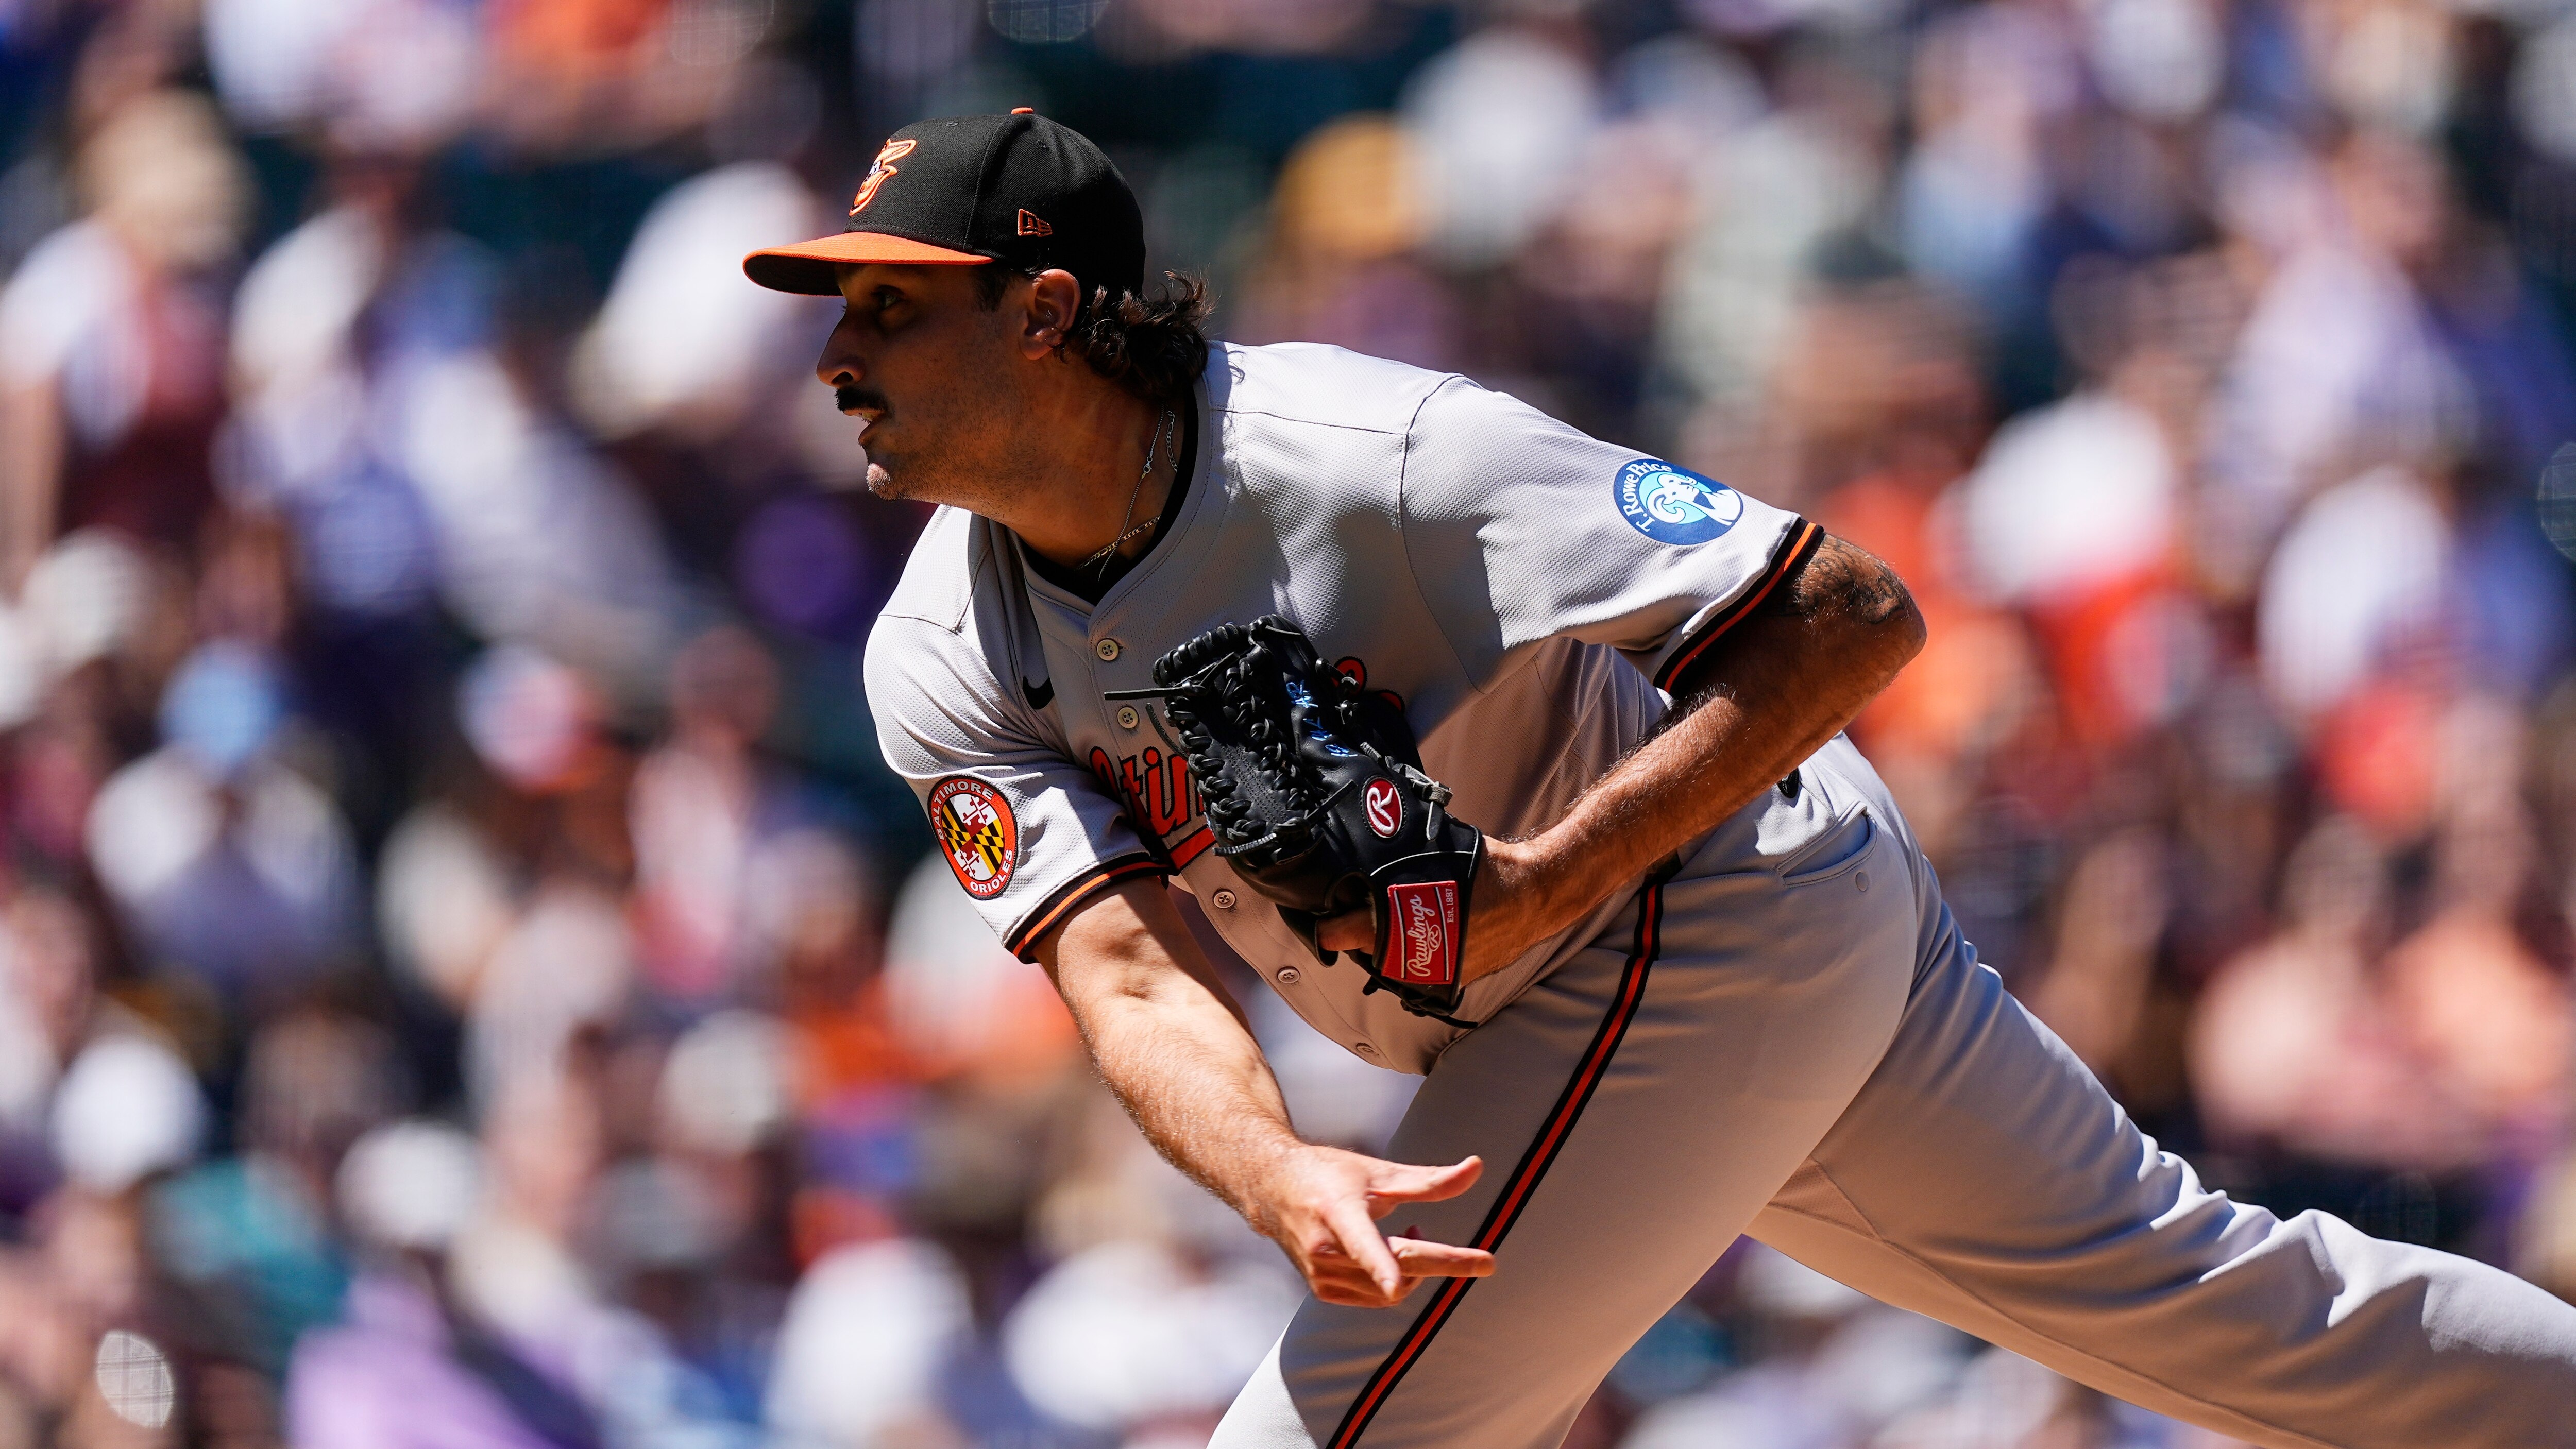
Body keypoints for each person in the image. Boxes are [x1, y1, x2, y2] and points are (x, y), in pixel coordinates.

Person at [741, 111, 2576, 1448]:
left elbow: (1848, 613)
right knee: (2235, 1319)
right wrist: (1275, 1164)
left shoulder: (1372, 454)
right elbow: (1126, 970)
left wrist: (1540, 878)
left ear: (1048, 316)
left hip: (1702, 910)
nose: (835, 354)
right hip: (1652, 970)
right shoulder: (939, 651)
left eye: (889, 311)